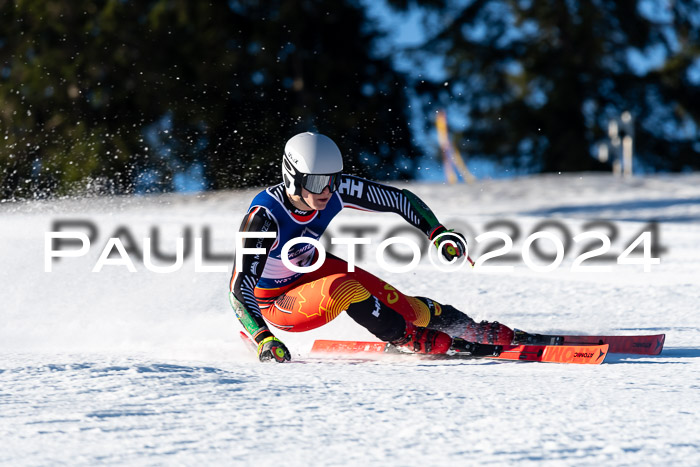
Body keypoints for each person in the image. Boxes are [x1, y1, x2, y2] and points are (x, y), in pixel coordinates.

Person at [229, 132, 515, 362]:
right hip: (277, 301)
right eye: (317, 182)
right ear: (293, 177)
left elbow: (398, 199)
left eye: (333, 180)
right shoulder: (264, 218)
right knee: (346, 288)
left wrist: (438, 232)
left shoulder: (332, 190)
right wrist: (264, 338)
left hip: (310, 268)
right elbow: (239, 290)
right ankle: (405, 338)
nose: (327, 191)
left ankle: (466, 326)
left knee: (409, 309)